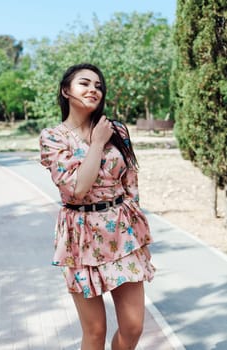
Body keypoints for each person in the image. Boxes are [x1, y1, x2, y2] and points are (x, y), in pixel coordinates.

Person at [39, 63, 155, 350]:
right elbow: (77, 189)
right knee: (95, 331)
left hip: (123, 232)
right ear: (66, 91)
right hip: (81, 235)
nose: (93, 89)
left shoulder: (115, 129)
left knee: (133, 327)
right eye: (84, 83)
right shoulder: (53, 137)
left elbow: (130, 182)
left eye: (98, 86)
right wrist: (97, 143)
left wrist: (139, 236)